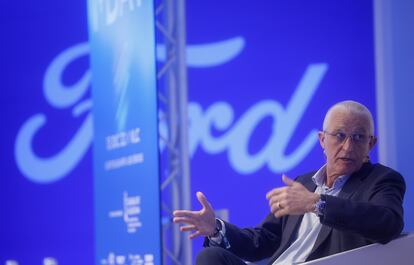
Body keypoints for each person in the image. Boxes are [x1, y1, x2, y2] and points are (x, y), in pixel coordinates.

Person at [173, 100, 406, 265]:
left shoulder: (382, 180)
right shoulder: (303, 183)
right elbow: (263, 242)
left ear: (371, 144)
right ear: (322, 140)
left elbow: (388, 223)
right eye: (340, 135)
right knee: (211, 257)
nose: (348, 146)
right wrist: (216, 229)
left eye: (358, 137)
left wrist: (318, 204)